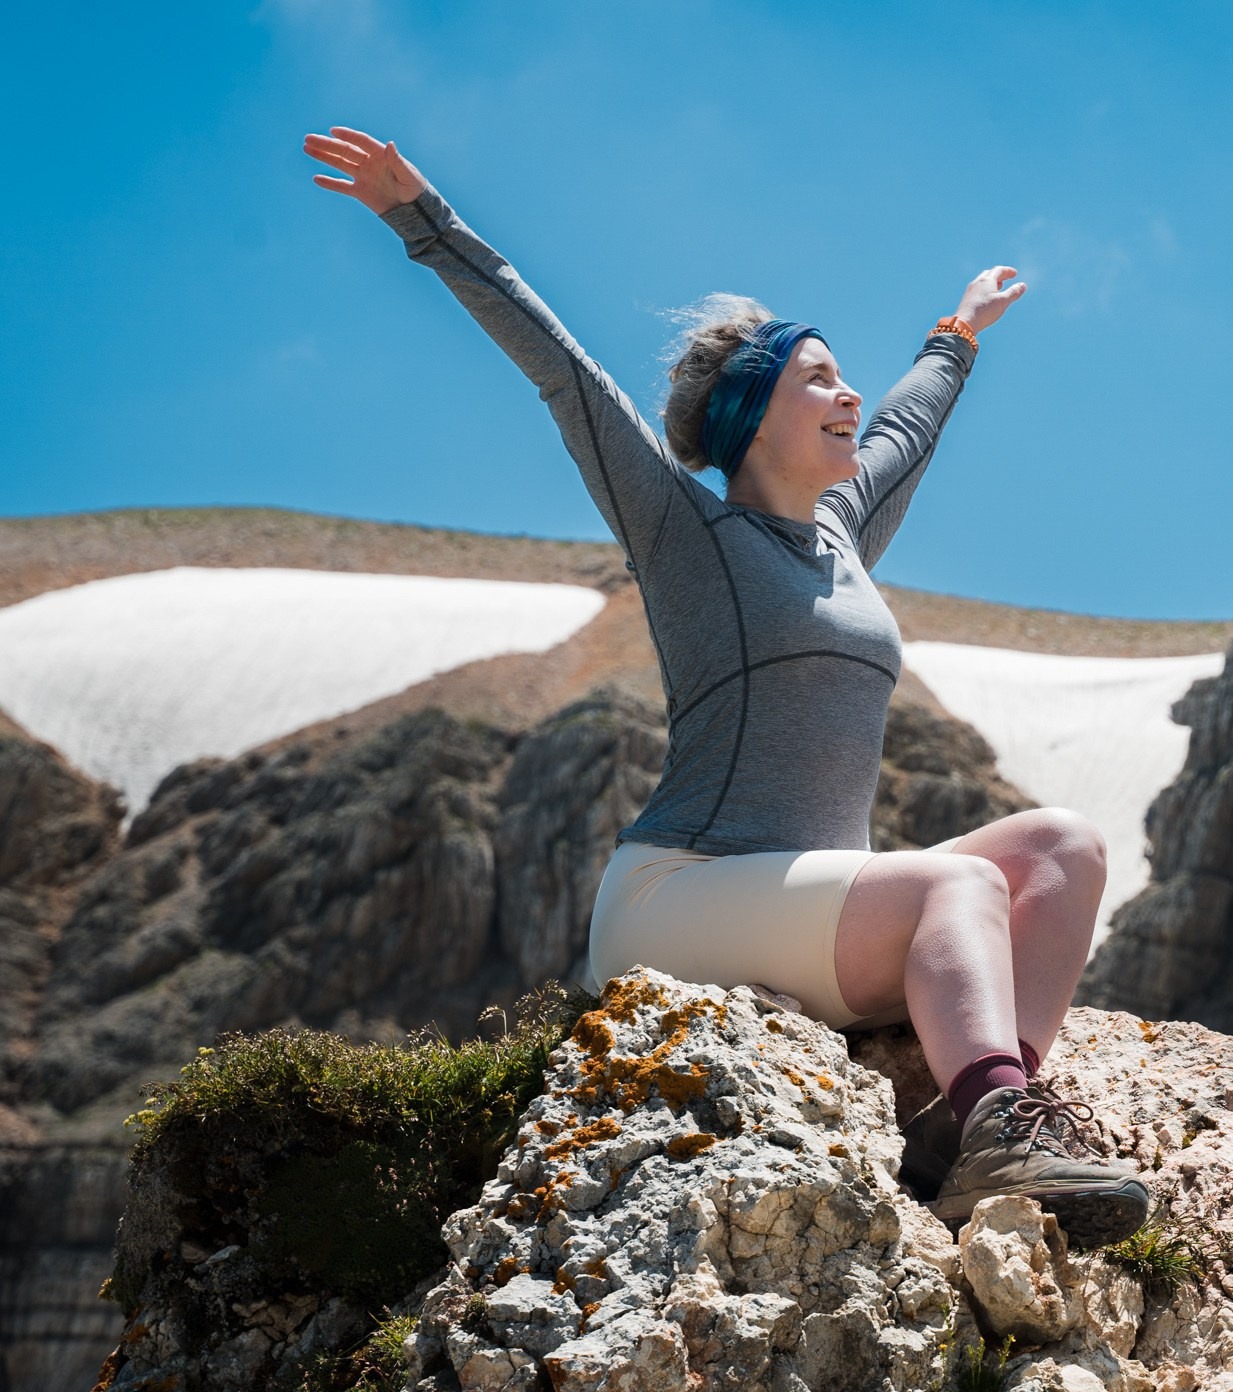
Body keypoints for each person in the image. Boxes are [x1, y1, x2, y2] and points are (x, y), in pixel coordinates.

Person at [302, 126, 1146, 1243]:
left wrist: (956, 333)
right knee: (962, 890)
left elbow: (911, 425)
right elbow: (563, 369)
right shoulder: (686, 532)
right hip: (680, 899)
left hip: (807, 911)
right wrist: (423, 219)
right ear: (755, 416)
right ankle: (1001, 1119)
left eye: (846, 378)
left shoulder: (843, 530)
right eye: (819, 380)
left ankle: (978, 1121)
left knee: (1065, 849)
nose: (848, 397)